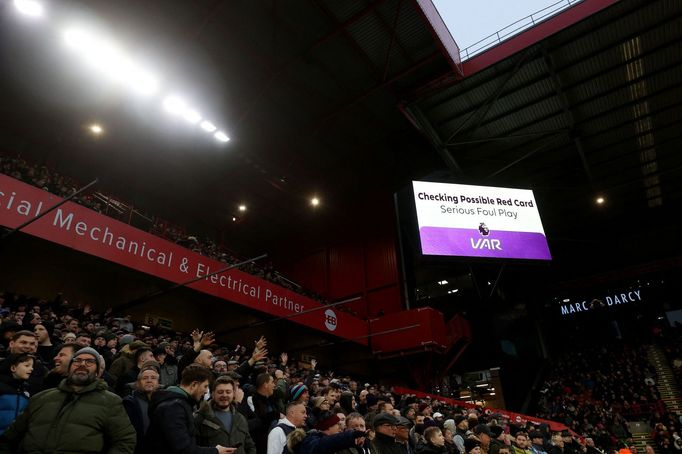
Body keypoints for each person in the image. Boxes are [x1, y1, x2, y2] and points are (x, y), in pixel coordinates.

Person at [0, 347, 136, 453]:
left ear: (98, 371)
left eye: (90, 361)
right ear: (70, 367)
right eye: (77, 360)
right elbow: (9, 438)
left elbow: (124, 441)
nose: (82, 364)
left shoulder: (110, 402)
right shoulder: (41, 398)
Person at [145, 364, 234, 454]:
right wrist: (215, 451)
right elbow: (183, 449)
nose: (206, 391)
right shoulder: (174, 408)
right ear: (194, 384)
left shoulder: (179, 404)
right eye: (205, 386)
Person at [195, 376, 256, 454]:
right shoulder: (201, 418)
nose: (224, 395)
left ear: (233, 394)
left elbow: (250, 446)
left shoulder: (240, 418)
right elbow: (193, 448)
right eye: (220, 392)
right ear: (213, 394)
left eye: (228, 392)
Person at [123, 364, 161, 454]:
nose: (149, 380)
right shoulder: (129, 403)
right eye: (145, 378)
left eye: (153, 378)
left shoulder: (166, 402)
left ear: (158, 383)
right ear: (138, 383)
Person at [288, 411, 366, 454]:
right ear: (328, 426)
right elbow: (326, 443)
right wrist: (351, 435)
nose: (340, 427)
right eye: (337, 424)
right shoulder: (311, 441)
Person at [0, 354, 33, 433]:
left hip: (12, 440)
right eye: (27, 365)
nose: (31, 369)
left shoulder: (25, 391)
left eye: (32, 366)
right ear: (13, 368)